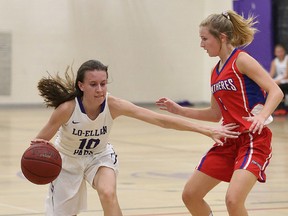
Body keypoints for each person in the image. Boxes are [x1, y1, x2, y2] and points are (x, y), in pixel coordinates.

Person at [31, 59, 240, 216]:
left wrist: (205, 130)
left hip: (99, 157)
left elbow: (160, 120)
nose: (100, 89)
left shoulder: (113, 105)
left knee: (107, 193)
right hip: (68, 160)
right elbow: (38, 143)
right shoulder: (67, 109)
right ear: (81, 86)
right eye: (93, 84)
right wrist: (39, 159)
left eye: (103, 83)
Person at [156, 10, 283, 216]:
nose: (202, 44)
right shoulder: (215, 72)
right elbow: (215, 114)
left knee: (233, 200)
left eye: (205, 39)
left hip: (253, 139)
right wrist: (180, 110)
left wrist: (261, 115)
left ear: (222, 38)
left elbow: (275, 91)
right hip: (228, 140)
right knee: (190, 194)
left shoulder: (241, 60)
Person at [269, 43, 288, 115]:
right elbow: (271, 75)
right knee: (271, 85)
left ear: (284, 51)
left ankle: (283, 107)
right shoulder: (274, 62)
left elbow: (286, 75)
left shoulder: (287, 59)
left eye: (281, 51)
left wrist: (278, 81)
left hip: (285, 79)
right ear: (275, 53)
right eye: (277, 51)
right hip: (279, 80)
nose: (279, 53)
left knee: (278, 85)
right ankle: (279, 108)